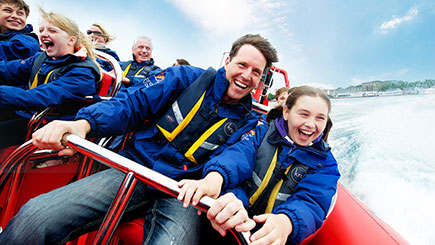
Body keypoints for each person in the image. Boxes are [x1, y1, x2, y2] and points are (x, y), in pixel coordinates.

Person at [0, 34, 279, 244]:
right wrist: (84, 123)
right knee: (34, 217)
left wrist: (213, 179)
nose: (247, 76)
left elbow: (236, 156)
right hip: (136, 169)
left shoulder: (252, 121)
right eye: (242, 64)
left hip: (184, 194)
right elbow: (132, 104)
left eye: (256, 72)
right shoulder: (184, 77)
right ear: (227, 62)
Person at [178, 86, 340, 244]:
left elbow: (312, 202)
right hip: (229, 220)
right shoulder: (260, 131)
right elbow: (236, 156)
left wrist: (285, 222)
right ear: (286, 112)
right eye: (304, 114)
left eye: (320, 118)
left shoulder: (326, 164)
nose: (311, 124)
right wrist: (216, 180)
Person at [0, 9, 101, 149]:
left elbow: (39, 97)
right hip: (28, 114)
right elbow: (10, 69)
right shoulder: (42, 57)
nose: (43, 34)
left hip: (48, 127)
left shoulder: (83, 73)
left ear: (71, 40)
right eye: (41, 30)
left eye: (52, 31)